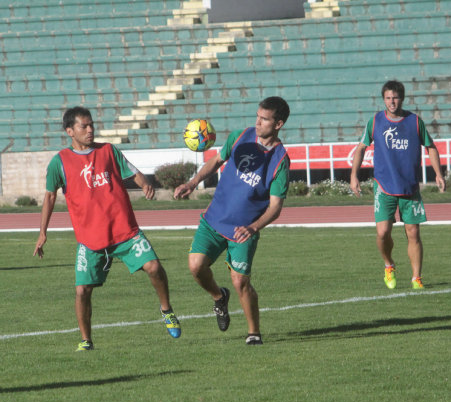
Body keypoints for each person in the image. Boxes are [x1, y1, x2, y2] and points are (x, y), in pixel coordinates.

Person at [33, 106, 181, 351]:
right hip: (90, 239)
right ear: (70, 131)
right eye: (84, 126)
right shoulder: (59, 162)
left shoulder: (108, 151)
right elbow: (49, 197)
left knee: (154, 267)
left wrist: (145, 184)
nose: (90, 130)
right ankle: (86, 340)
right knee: (82, 291)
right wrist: (42, 233)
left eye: (92, 125)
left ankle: (166, 310)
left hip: (125, 232)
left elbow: (132, 172)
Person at [174, 96, 290, 345]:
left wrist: (253, 227)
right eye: (257, 116)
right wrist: (192, 183)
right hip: (214, 220)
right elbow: (216, 161)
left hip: (243, 230)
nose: (257, 123)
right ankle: (218, 297)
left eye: (264, 119)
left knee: (240, 282)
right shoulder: (240, 136)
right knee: (195, 266)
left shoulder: (280, 159)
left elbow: (276, 207)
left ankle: (254, 333)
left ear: (278, 124)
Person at [350, 80, 445, 290]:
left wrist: (438, 173)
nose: (392, 102)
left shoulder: (414, 122)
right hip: (383, 186)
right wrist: (354, 175)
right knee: (383, 233)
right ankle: (389, 265)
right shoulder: (375, 121)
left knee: (413, 233)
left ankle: (416, 278)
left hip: (409, 187)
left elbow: (431, 147)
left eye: (395, 97)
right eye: (388, 98)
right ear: (383, 99)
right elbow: (360, 148)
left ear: (402, 98)